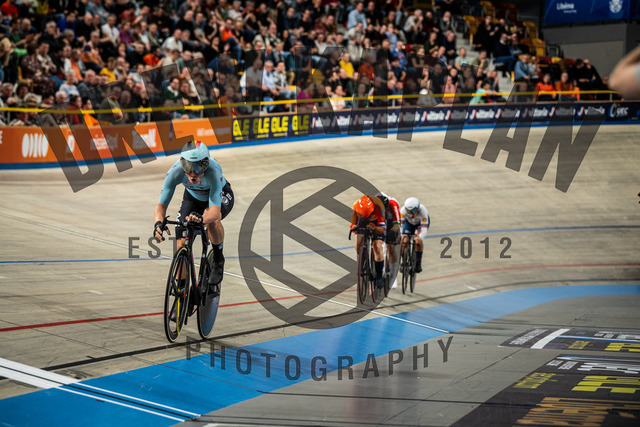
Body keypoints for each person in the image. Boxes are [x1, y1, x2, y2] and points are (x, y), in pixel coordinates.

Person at [153, 140, 234, 291]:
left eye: (198, 167)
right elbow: (161, 206)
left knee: (212, 221)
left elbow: (214, 212)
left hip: (218, 196)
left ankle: (218, 259)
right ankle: (181, 291)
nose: (192, 173)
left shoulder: (213, 173)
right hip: (193, 197)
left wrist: (202, 219)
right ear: (182, 164)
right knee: (180, 242)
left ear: (206, 164)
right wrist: (158, 224)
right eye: (188, 167)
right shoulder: (175, 172)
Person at [349, 194, 386, 288]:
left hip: (376, 222)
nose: (362, 217)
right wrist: (353, 227)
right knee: (358, 243)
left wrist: (375, 228)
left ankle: (379, 276)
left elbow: (382, 229)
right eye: (360, 215)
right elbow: (353, 224)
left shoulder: (379, 207)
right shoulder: (355, 206)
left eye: (364, 216)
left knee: (377, 247)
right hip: (362, 222)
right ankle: (364, 262)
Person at [376, 192, 401, 289]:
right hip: (380, 221)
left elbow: (397, 224)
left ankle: (393, 276)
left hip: (391, 221)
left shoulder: (393, 204)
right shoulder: (373, 205)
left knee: (391, 248)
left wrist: (393, 232)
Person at [400, 197, 430, 274]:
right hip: (408, 223)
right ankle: (403, 262)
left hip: (420, 225)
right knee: (403, 241)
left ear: (417, 209)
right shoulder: (402, 211)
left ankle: (418, 263)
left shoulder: (423, 211)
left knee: (418, 241)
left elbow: (424, 229)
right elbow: (400, 226)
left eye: (413, 211)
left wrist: (419, 238)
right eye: (408, 212)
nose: (410, 214)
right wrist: (401, 236)